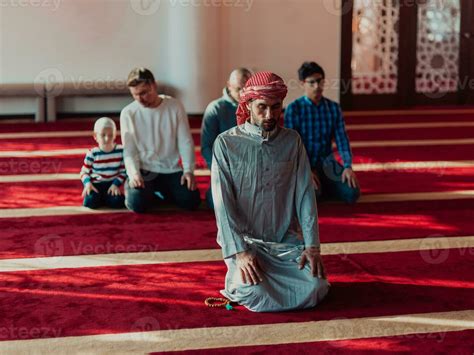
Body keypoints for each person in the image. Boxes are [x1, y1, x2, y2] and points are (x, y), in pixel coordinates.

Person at [211, 72, 330, 312]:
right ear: (248, 105)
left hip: (285, 243)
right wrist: (240, 253)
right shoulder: (226, 144)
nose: (269, 115)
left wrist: (312, 246)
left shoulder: (292, 141)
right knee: (254, 293)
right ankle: (239, 277)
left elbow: (305, 195)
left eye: (276, 107)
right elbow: (223, 205)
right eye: (262, 107)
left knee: (316, 286)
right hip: (246, 245)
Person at [120, 67, 200, 213]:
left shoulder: (175, 106)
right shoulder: (128, 113)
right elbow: (129, 151)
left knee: (191, 201)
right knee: (137, 203)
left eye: (143, 93)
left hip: (170, 169)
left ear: (154, 85)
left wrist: (188, 171)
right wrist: (134, 174)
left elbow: (185, 141)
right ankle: (150, 193)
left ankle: (157, 194)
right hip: (144, 170)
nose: (140, 99)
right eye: (135, 95)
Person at [284, 61, 360, 204]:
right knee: (312, 197)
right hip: (304, 164)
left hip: (327, 164)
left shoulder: (333, 108)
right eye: (311, 82)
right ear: (302, 83)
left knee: (352, 193)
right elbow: (292, 145)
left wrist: (347, 166)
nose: (317, 86)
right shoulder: (294, 109)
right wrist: (305, 170)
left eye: (320, 81)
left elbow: (342, 139)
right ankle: (320, 186)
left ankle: (326, 184)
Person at [201, 68, 252, 209]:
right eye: (238, 89)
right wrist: (220, 170)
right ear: (229, 86)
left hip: (251, 167)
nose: (243, 94)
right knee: (218, 203)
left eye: (246, 89)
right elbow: (206, 147)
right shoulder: (216, 108)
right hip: (225, 168)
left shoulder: (255, 107)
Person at [80, 117, 126, 209]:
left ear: (115, 135)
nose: (107, 138)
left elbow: (123, 171)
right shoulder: (92, 153)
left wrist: (115, 184)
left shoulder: (120, 151)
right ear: (95, 136)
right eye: (103, 135)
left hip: (111, 184)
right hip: (96, 185)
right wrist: (88, 184)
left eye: (110, 135)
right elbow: (84, 172)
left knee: (118, 203)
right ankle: (102, 198)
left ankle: (105, 198)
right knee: (90, 202)